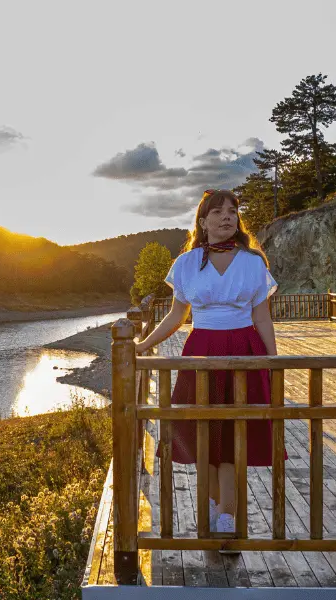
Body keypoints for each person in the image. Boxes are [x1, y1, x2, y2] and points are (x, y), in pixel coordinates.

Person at [134, 188, 283, 542]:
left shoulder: (253, 262)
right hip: (201, 351)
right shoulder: (186, 263)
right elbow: (176, 316)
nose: (227, 216)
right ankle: (218, 507)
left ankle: (227, 516)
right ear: (202, 222)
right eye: (218, 212)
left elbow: (262, 318)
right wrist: (142, 345)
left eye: (232, 211)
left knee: (233, 437)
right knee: (204, 434)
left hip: (244, 349)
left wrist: (273, 363)